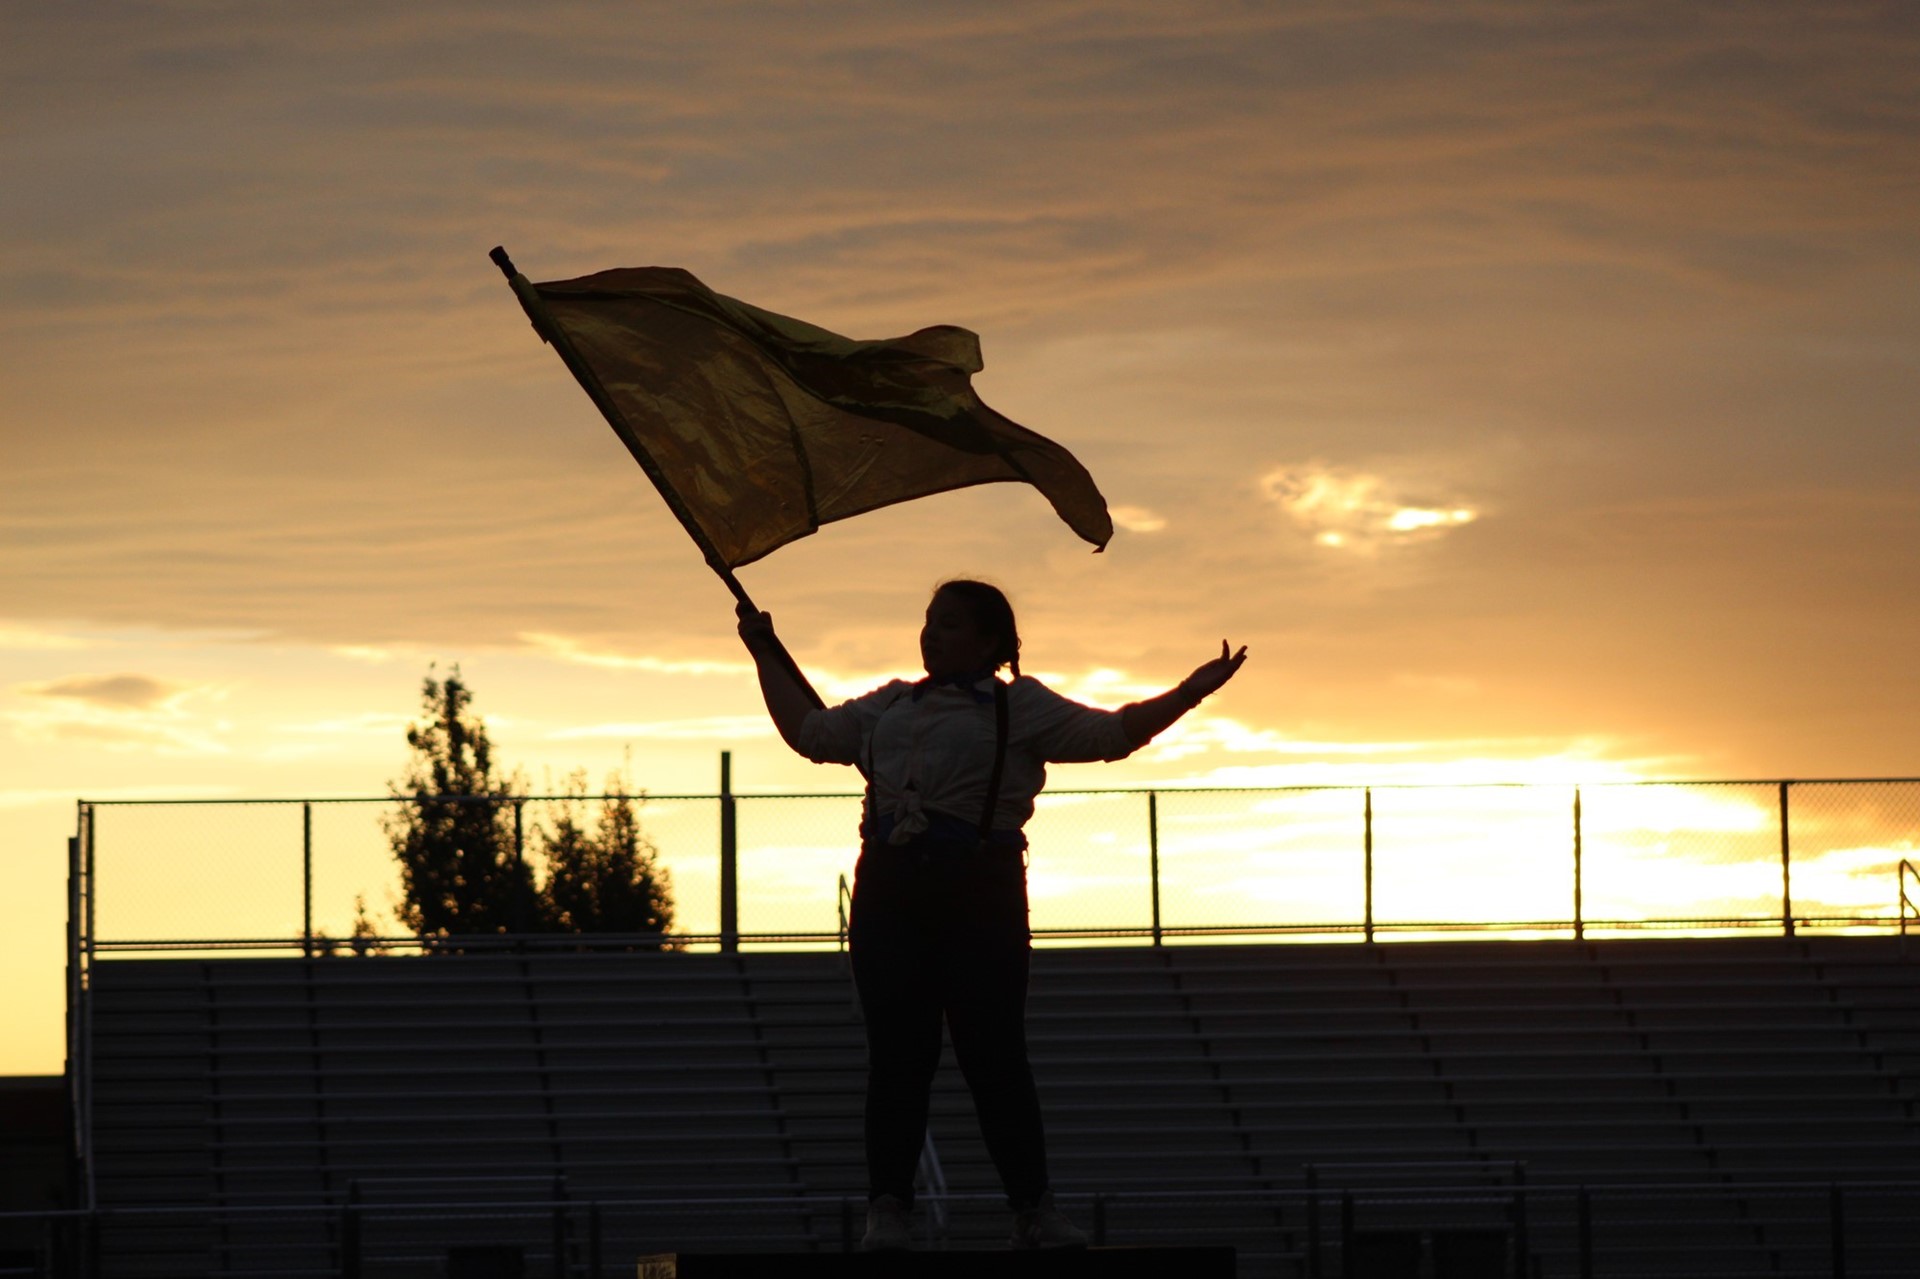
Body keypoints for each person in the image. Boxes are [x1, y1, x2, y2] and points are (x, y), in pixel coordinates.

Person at [737, 579, 1246, 1251]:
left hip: (981, 888)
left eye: (947, 625)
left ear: (988, 641)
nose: (931, 634)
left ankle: (1032, 1209)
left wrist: (1188, 693)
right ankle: (888, 1208)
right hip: (891, 887)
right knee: (898, 1057)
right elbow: (809, 732)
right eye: (928, 621)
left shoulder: (1022, 707)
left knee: (994, 1055)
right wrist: (763, 652)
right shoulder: (887, 703)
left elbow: (1113, 732)